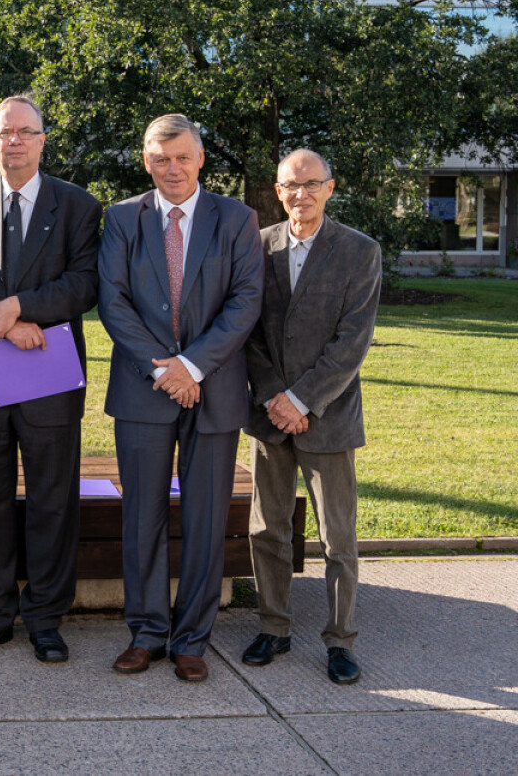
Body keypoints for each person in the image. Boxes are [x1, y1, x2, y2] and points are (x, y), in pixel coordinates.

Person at [0, 95, 101, 663]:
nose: (15, 142)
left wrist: (21, 308)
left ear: (42, 139)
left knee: (54, 501)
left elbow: (84, 284)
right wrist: (2, 325)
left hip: (48, 374)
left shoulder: (77, 204)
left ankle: (47, 619)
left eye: (26, 132)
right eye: (5, 133)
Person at [97, 114, 263, 683]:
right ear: (147, 160)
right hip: (142, 391)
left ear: (199, 159)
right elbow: (113, 302)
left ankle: (192, 638)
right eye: (161, 159)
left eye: (183, 158)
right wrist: (164, 370)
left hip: (213, 390)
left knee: (205, 516)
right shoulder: (121, 219)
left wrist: (192, 366)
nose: (172, 168)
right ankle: (146, 633)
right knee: (141, 515)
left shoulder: (237, 218)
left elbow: (245, 301)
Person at [241, 149, 381, 685]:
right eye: (290, 185)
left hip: (329, 416)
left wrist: (301, 401)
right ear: (278, 191)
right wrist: (276, 397)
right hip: (268, 416)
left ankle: (340, 640)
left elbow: (352, 343)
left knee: (337, 540)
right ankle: (273, 627)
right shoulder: (257, 248)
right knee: (266, 529)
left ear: (329, 187)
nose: (300, 194)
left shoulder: (359, 251)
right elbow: (247, 331)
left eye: (311, 184)